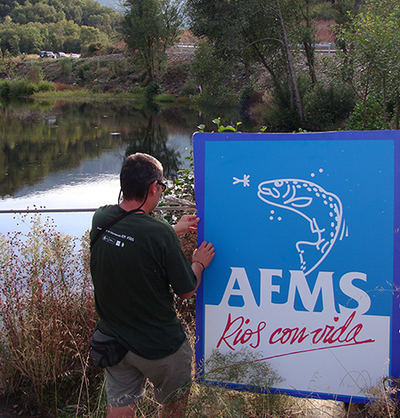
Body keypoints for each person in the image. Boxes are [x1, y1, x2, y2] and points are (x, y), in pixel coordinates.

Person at [90, 152, 215, 417]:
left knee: (120, 405)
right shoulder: (158, 234)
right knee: (174, 403)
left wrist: (173, 230)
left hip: (114, 340)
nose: (161, 191)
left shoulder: (101, 218)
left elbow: (136, 236)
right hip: (161, 345)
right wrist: (199, 262)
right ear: (153, 188)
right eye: (162, 186)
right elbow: (187, 289)